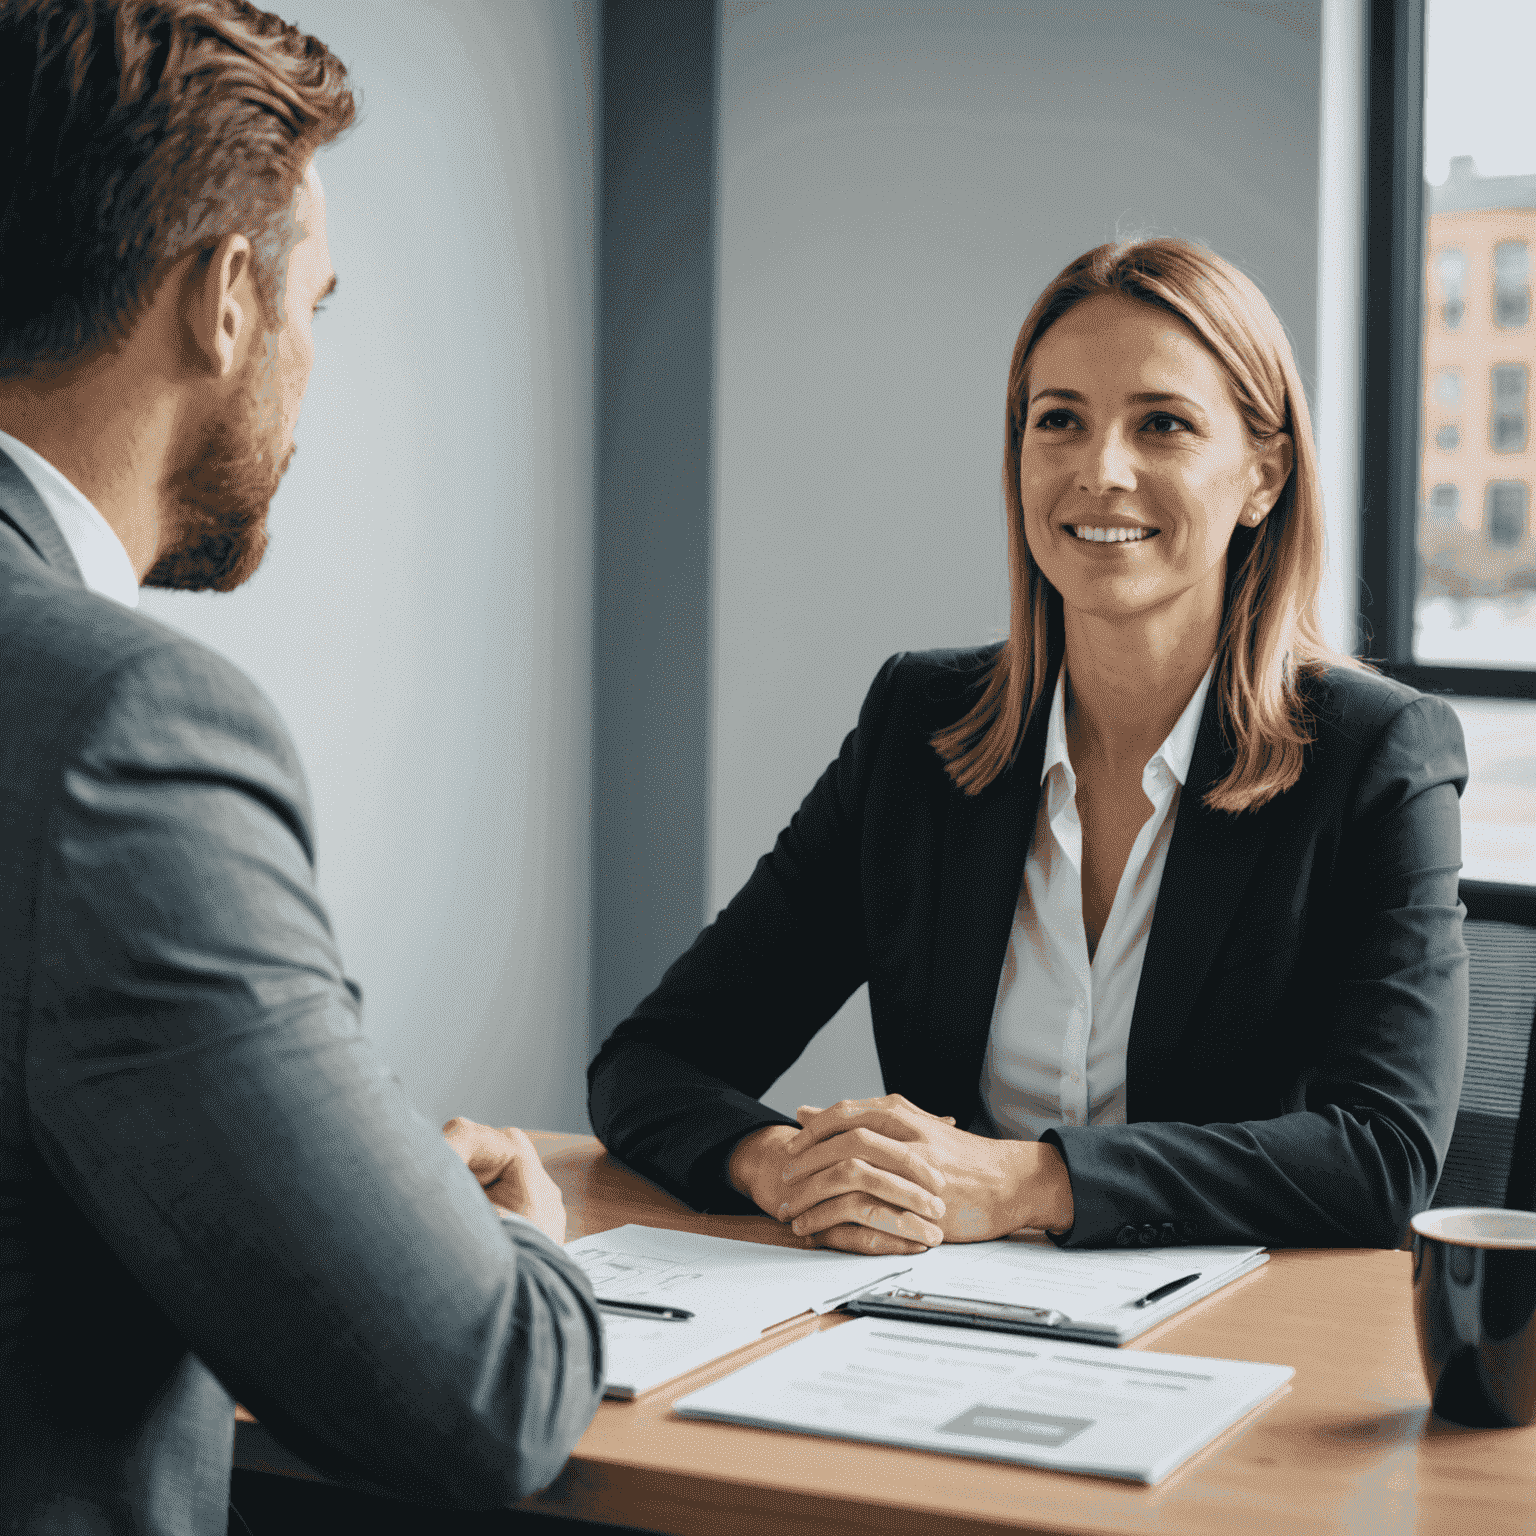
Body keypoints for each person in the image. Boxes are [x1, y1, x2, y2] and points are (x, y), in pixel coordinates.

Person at [0, 3, 604, 1532]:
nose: (310, 360)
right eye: (315, 304)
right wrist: (525, 1250)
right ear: (221, 301)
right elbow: (488, 1392)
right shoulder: (117, 727)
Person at [589, 237, 1469, 1259]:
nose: (1101, 471)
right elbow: (651, 1060)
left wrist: (1029, 1181)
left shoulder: (1372, 758)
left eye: (1164, 425)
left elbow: (1381, 1157)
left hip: (1239, 1353)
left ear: (1262, 475)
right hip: (937, 1327)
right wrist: (783, 1163)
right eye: (1060, 422)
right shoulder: (920, 729)